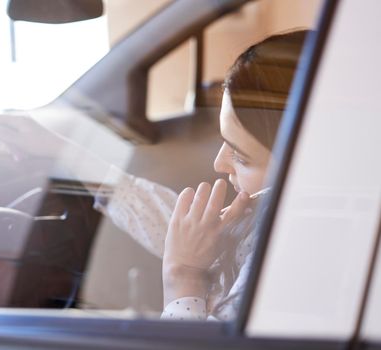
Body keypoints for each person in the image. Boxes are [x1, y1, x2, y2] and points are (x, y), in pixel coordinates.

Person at [93, 29, 310, 321]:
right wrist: (80, 164)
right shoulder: (264, 217)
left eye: (241, 156)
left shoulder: (288, 254)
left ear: (306, 167)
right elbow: (192, 234)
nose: (220, 163)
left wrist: (181, 276)